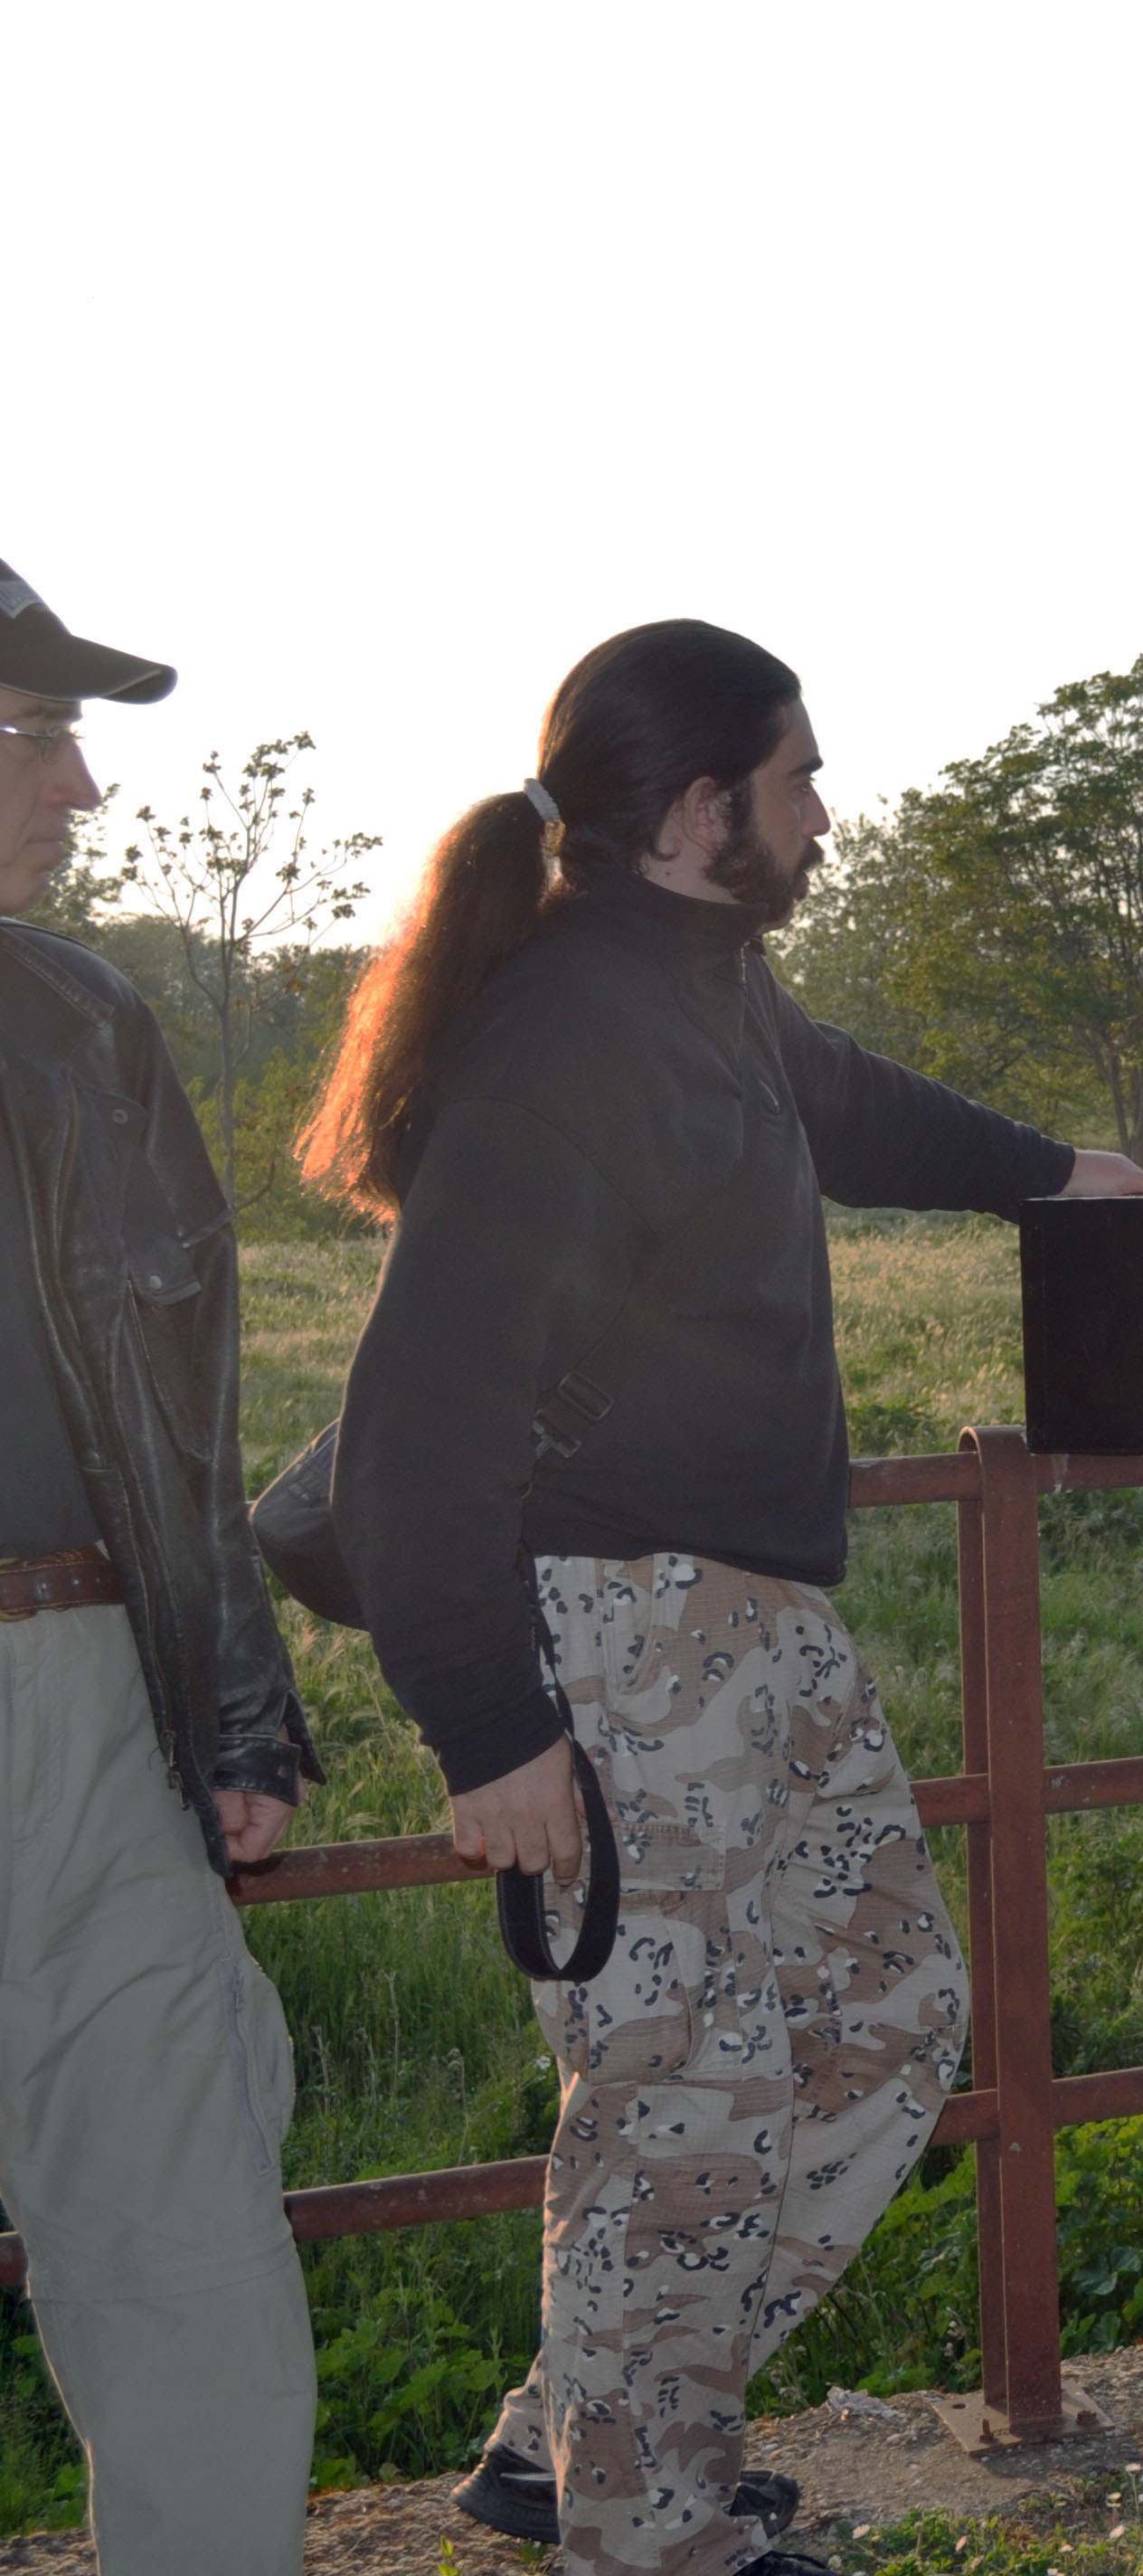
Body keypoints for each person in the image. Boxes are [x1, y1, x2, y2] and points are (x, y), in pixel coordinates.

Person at [302, 620, 1143, 2575]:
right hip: (609, 1636)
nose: (824, 815)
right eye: (799, 779)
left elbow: (853, 1107)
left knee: (880, 2010)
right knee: (678, 2082)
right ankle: (645, 2525)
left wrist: (1058, 1172)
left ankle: (590, 2427)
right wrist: (490, 1727)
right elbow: (417, 1416)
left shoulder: (705, 985)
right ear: (703, 809)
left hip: (752, 1622)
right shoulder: (566, 1038)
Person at [0, 560, 321, 2567]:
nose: (85, 789)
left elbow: (184, 1410)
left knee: (187, 2241)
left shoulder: (85, 1023)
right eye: (38, 734)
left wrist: (235, 1702)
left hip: (89, 1704)